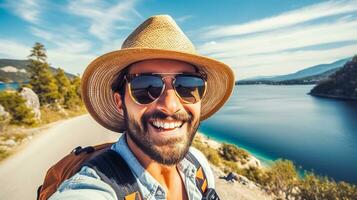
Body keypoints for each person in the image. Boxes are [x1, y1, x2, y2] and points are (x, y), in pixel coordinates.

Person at [49, 15, 234, 200]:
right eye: (145, 87)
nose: (170, 106)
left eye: (186, 86)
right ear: (119, 102)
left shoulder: (199, 166)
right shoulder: (93, 189)